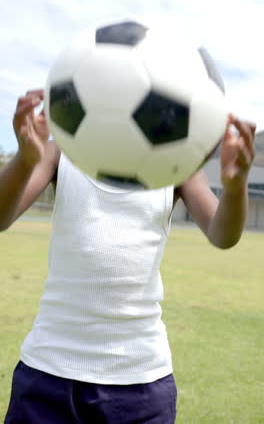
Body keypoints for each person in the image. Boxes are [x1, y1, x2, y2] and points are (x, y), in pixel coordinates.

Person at [2, 88, 255, 424]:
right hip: (48, 369)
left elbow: (222, 234)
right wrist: (24, 159)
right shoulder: (63, 149)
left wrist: (236, 189)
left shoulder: (175, 163)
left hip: (140, 380)